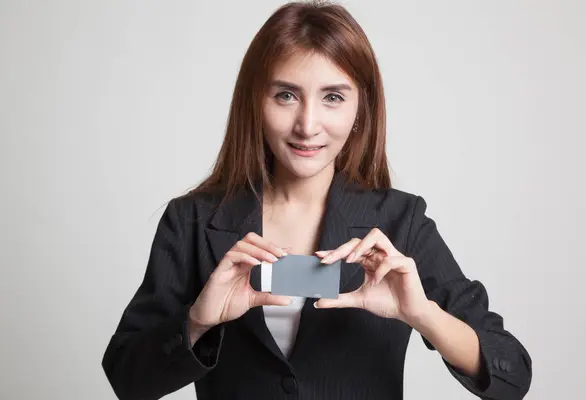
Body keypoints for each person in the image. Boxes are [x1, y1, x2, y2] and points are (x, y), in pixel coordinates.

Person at [101, 1, 532, 399]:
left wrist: (422, 314)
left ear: (360, 107)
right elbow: (126, 378)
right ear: (256, 101)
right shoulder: (192, 220)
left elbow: (513, 375)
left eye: (333, 98)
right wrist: (197, 321)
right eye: (285, 95)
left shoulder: (402, 221)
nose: (308, 125)